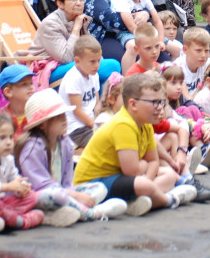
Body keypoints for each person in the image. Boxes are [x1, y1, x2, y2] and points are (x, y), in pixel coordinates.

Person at [74, 73, 197, 214]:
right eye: (154, 102)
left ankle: (139, 199)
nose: (160, 108)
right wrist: (146, 175)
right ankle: (169, 199)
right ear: (133, 104)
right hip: (93, 183)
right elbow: (132, 171)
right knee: (143, 183)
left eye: (161, 102)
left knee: (168, 174)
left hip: (119, 177)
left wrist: (148, 181)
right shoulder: (123, 124)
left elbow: (153, 160)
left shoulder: (145, 122)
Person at [15, 88, 128, 223]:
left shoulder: (65, 143)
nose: (64, 119)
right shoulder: (32, 148)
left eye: (64, 114)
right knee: (56, 196)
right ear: (42, 124)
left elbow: (67, 183)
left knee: (100, 187)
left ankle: (73, 209)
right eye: (57, 116)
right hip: (38, 196)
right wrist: (73, 195)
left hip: (64, 193)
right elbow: (41, 186)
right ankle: (93, 213)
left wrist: (73, 194)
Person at [112, 0, 166, 73]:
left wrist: (160, 40)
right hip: (126, 32)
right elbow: (131, 26)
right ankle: (127, 78)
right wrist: (148, 39)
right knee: (132, 46)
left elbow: (157, 21)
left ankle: (174, 79)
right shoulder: (123, 0)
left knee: (176, 47)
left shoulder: (146, 0)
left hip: (146, 32)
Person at [58, 36, 103, 150]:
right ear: (77, 61)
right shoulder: (74, 79)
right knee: (101, 144)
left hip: (88, 122)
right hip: (75, 127)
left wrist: (101, 119)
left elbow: (96, 103)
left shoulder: (94, 75)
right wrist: (95, 125)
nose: (97, 65)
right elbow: (77, 111)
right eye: (92, 61)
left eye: (98, 60)